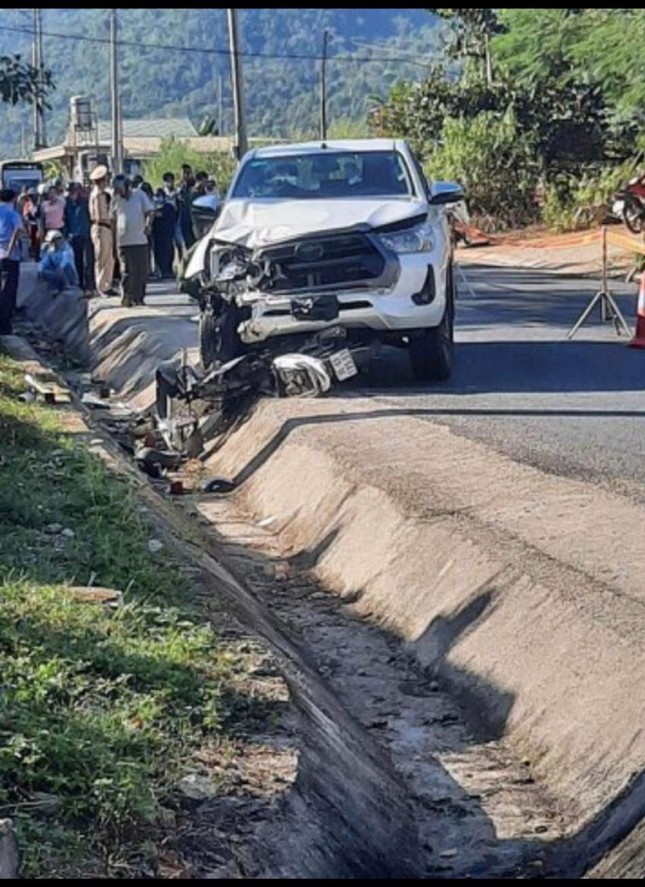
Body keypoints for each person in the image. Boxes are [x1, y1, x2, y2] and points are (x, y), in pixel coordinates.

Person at [110, 174, 155, 307]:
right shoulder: (116, 200)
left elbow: (150, 212)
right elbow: (112, 221)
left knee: (141, 271)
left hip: (140, 239)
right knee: (126, 271)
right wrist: (113, 241)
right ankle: (127, 296)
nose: (118, 192)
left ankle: (139, 298)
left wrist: (148, 225)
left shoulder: (139, 195)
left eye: (120, 188)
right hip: (123, 241)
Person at [0, 188, 24, 335]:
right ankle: (5, 327)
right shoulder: (12, 213)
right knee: (9, 291)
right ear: (13, 199)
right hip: (9, 258)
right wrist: (10, 248)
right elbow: (19, 230)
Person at [89, 164, 115, 297]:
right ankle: (100, 287)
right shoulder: (97, 195)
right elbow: (99, 216)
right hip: (101, 227)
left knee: (109, 258)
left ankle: (107, 284)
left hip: (106, 228)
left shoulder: (104, 194)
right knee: (102, 257)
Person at [64, 182, 94, 295]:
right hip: (74, 236)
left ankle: (89, 286)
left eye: (74, 191)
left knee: (87, 262)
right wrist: (67, 234)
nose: (72, 194)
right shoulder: (68, 204)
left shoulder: (86, 202)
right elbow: (66, 220)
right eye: (71, 191)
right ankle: (80, 285)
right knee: (78, 262)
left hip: (86, 235)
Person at [37, 230, 78, 295]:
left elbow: (66, 259)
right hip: (57, 273)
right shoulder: (50, 251)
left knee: (65, 267)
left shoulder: (67, 248)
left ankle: (66, 285)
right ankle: (55, 289)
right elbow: (44, 262)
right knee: (46, 272)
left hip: (68, 274)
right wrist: (40, 270)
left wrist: (60, 267)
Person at [152, 188, 177, 279]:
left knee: (168, 252)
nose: (158, 198)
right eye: (156, 196)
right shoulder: (152, 207)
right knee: (158, 253)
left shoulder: (169, 207)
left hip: (167, 234)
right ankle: (161, 271)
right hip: (157, 235)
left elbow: (173, 217)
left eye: (160, 196)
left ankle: (168, 271)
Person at [162, 171, 184, 261]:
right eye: (167, 181)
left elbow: (180, 206)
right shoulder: (162, 193)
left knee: (179, 243)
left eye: (171, 180)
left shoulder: (177, 192)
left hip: (176, 220)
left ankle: (181, 261)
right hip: (166, 222)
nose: (169, 183)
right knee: (167, 244)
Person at [22, 189, 42, 261]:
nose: (33, 197)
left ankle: (38, 254)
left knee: (39, 239)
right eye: (31, 196)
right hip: (31, 225)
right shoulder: (27, 204)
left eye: (34, 196)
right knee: (33, 240)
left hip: (40, 224)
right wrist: (27, 217)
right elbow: (25, 215)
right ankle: (33, 252)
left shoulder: (40, 204)